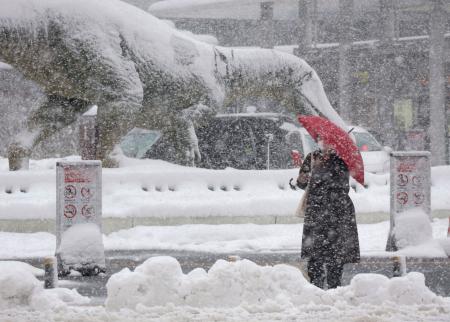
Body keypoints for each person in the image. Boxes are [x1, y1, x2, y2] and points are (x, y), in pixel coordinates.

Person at [295, 137, 360, 289]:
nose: (324, 143)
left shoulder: (342, 160)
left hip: (338, 211)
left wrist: (323, 170)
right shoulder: (312, 157)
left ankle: (334, 287)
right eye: (321, 140)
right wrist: (302, 178)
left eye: (328, 141)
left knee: (335, 254)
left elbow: (341, 185)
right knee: (315, 253)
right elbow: (302, 184)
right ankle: (315, 285)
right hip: (316, 210)